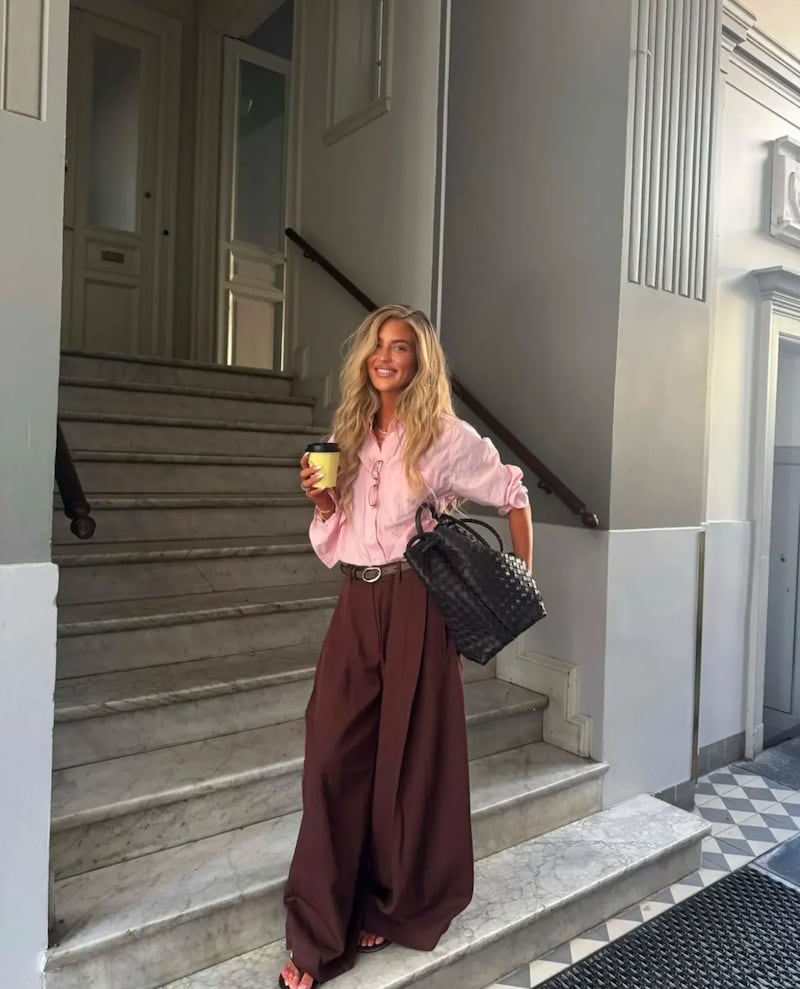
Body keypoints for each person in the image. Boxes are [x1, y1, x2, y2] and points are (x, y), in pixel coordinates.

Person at [280, 305, 533, 989]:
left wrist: (520, 577)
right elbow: (340, 527)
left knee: (408, 761)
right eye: (378, 345)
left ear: (420, 361)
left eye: (400, 347)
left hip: (418, 603)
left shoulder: (445, 437)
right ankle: (318, 932)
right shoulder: (349, 434)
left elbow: (512, 492)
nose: (386, 356)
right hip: (357, 601)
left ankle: (392, 903)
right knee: (332, 756)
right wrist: (324, 503)